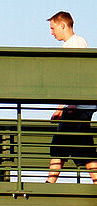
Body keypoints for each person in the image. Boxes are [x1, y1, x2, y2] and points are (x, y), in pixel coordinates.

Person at [47, 12, 97, 184]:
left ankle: (49, 185)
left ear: (63, 25)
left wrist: (71, 104)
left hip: (77, 108)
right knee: (82, 148)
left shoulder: (75, 43)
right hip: (77, 107)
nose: (52, 33)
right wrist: (62, 107)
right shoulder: (75, 43)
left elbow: (77, 74)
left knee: (60, 147)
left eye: (53, 28)